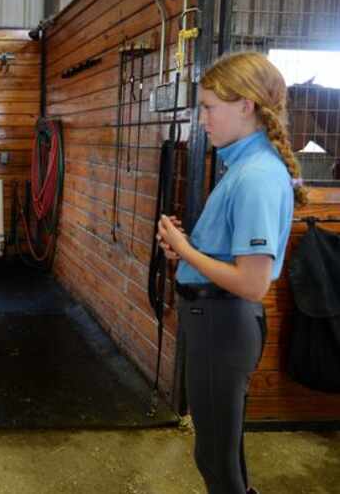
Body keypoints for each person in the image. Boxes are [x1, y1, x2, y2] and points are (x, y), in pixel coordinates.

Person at [157, 52, 307, 494]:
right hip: (216, 321)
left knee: (215, 458)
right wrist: (185, 254)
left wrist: (186, 250)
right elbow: (229, 258)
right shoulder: (242, 164)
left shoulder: (256, 174)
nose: (202, 119)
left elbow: (253, 283)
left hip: (222, 324)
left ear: (246, 106)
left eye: (209, 108)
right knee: (224, 451)